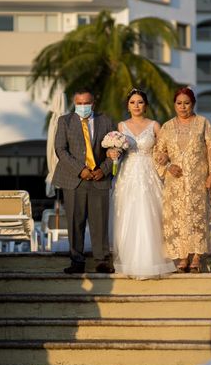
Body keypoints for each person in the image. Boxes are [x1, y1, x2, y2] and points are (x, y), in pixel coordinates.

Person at [110, 89, 176, 278]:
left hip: (149, 172)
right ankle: (130, 261)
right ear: (128, 106)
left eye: (140, 102)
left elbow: (166, 148)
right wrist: (112, 153)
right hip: (128, 173)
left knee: (150, 213)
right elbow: (117, 151)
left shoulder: (155, 125)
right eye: (132, 102)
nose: (136, 106)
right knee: (127, 213)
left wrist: (164, 156)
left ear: (145, 105)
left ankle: (151, 260)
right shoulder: (121, 127)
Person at [154, 87, 211, 273]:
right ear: (174, 105)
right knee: (179, 218)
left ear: (193, 104)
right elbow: (158, 152)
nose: (183, 107)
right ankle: (183, 256)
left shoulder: (203, 123)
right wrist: (168, 166)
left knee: (197, 216)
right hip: (174, 181)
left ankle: (197, 255)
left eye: (187, 103)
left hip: (198, 179)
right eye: (179, 103)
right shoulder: (167, 127)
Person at [53, 88, 116, 274]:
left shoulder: (106, 121)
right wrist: (80, 170)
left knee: (100, 222)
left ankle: (102, 260)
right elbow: (60, 150)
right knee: (75, 222)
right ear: (74, 104)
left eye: (86, 103)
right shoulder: (64, 121)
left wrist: (103, 170)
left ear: (93, 103)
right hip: (74, 179)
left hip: (99, 179)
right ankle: (77, 261)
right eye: (79, 104)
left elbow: (114, 149)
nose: (82, 107)